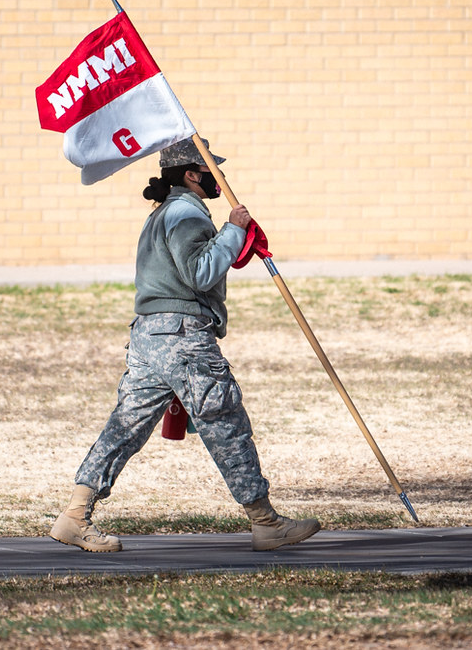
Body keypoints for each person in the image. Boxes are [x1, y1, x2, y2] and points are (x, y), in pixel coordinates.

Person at [50, 138, 321, 552]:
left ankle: (74, 516)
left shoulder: (163, 213)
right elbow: (200, 272)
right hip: (181, 336)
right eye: (214, 170)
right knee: (224, 418)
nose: (220, 179)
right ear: (193, 174)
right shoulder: (185, 214)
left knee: (126, 426)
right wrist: (233, 230)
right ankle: (266, 522)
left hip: (149, 335)